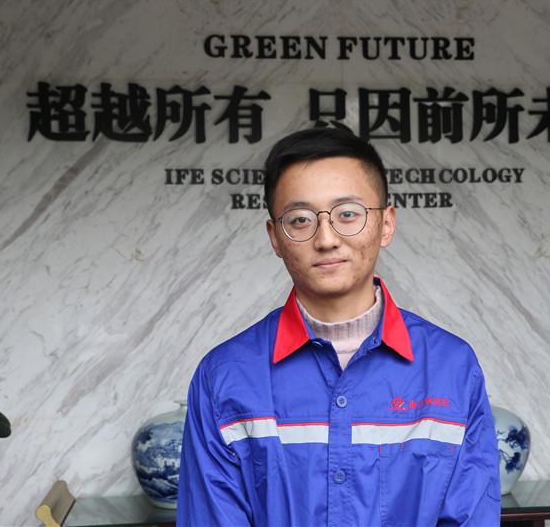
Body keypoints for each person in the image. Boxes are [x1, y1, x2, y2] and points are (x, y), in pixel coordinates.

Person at [177, 127, 501, 526]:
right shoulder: (224, 377)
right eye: (300, 219)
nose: (327, 239)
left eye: (348, 214)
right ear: (275, 237)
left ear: (386, 224)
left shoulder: (452, 367)